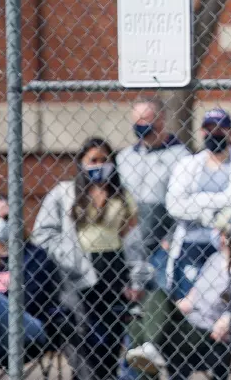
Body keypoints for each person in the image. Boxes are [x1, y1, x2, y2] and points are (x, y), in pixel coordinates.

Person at [32, 137, 138, 380]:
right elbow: (42, 234)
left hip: (113, 269)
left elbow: (132, 238)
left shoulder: (121, 195)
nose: (99, 165)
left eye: (104, 160)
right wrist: (66, 254)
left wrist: (134, 277)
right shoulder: (64, 192)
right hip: (77, 272)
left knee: (111, 338)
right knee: (85, 336)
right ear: (81, 163)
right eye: (93, 160)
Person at [124, 206, 231, 380]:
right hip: (188, 322)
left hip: (208, 334)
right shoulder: (215, 259)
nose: (214, 233)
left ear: (226, 237)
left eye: (218, 231)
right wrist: (160, 313)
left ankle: (151, 350)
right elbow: (191, 299)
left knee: (139, 329)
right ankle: (151, 349)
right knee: (155, 302)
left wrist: (229, 320)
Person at [165, 108, 231, 301]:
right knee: (186, 301)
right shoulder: (188, 164)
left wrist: (195, 200)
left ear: (230, 133)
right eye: (209, 129)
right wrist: (214, 210)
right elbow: (174, 204)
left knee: (221, 300)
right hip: (190, 244)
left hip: (227, 246)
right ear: (201, 132)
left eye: (220, 129)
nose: (214, 134)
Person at [0, 197, 66, 380]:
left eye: (7, 217)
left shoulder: (35, 257)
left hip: (28, 329)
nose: (1, 223)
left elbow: (28, 303)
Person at [115, 97, 191, 289]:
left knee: (161, 298)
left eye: (146, 120)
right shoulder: (124, 158)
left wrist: (169, 240)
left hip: (165, 243)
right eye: (137, 121)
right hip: (129, 244)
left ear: (160, 120)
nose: (141, 125)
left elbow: (185, 203)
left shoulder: (181, 156)